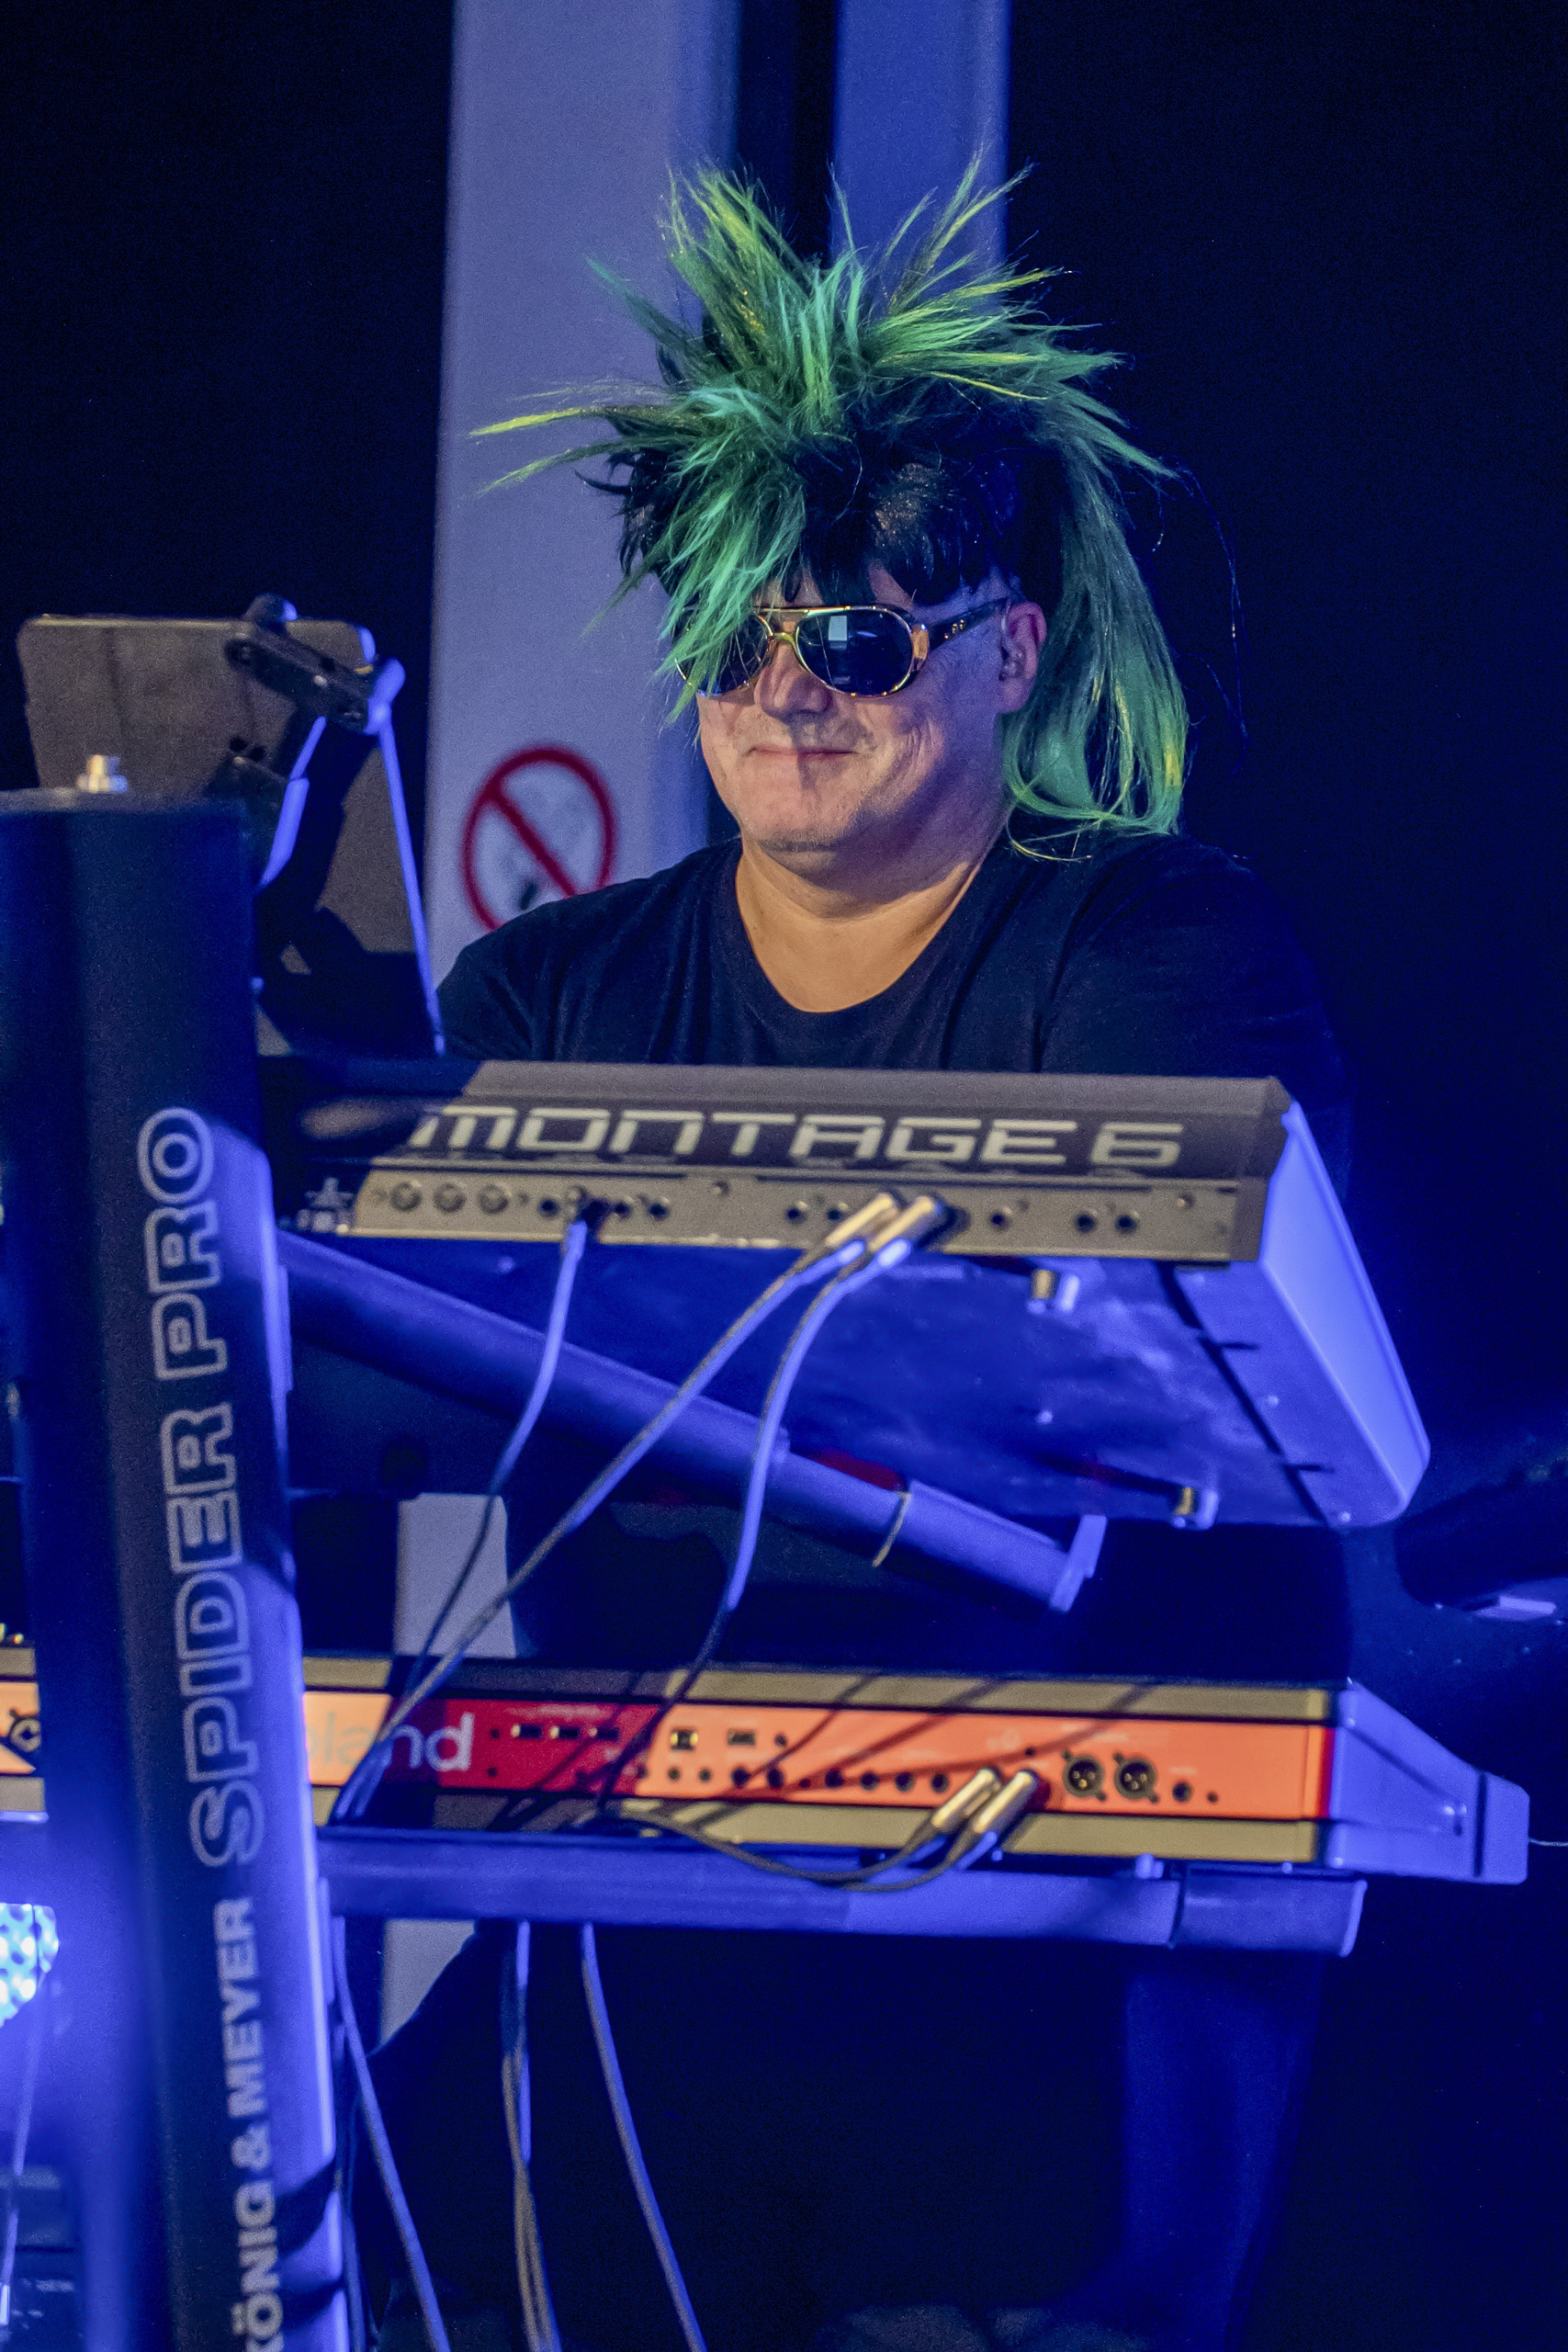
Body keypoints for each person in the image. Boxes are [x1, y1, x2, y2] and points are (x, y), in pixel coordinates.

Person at [365, 172, 1349, 2352]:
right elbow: (388, 1358)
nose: (778, 695)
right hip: (645, 1888)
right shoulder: (548, 993)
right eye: (731, 639)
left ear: (1005, 652)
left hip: (1053, 1902)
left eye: (852, 644)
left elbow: (1156, 1395)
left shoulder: (1151, 947)